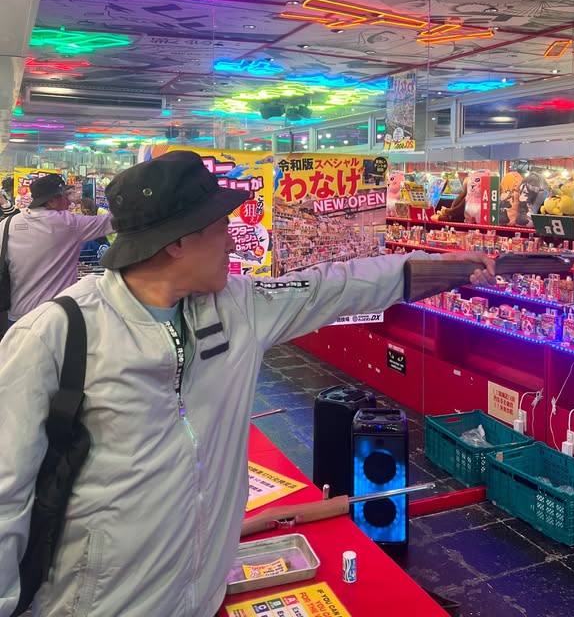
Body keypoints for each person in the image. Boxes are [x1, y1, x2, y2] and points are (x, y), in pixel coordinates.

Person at [0, 151, 496, 617]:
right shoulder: (56, 335)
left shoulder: (237, 307)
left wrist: (444, 267)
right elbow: (6, 496)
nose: (234, 242)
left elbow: (333, 285)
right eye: (221, 228)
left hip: (200, 596)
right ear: (176, 241)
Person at [0, 174, 114, 325]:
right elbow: (112, 221)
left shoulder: (7, 225)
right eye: (65, 197)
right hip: (55, 316)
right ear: (52, 201)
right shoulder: (69, 224)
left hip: (17, 317)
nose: (69, 203)